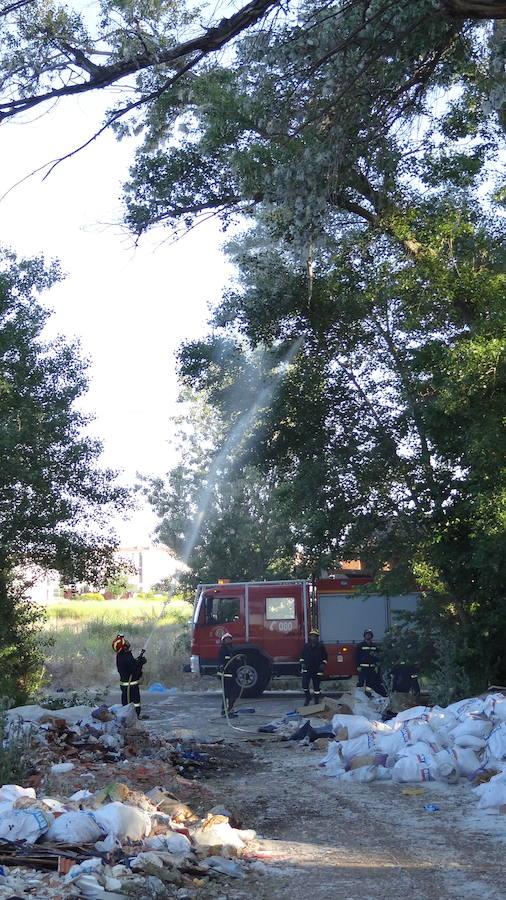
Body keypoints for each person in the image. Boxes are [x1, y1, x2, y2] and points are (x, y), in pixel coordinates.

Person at [112, 634, 146, 717]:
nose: (127, 642)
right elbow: (135, 673)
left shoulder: (122, 655)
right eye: (125, 642)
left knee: (127, 706)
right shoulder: (127, 657)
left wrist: (137, 661)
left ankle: (133, 719)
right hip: (130, 687)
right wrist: (141, 663)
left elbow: (131, 666)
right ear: (124, 647)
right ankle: (135, 719)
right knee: (133, 706)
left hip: (127, 686)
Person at [217, 632, 244, 718]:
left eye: (229, 639)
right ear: (223, 641)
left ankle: (230, 710)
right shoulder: (223, 650)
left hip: (232, 675)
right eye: (227, 639)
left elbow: (236, 661)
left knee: (233, 694)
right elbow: (224, 661)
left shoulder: (232, 649)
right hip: (225, 676)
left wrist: (240, 660)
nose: (228, 641)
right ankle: (226, 712)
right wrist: (225, 665)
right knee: (227, 695)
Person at [299, 628, 328, 706]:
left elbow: (325, 657)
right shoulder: (306, 646)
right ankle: (308, 697)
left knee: (316, 688)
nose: (313, 638)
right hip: (307, 669)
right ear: (310, 637)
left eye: (315, 636)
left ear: (317, 637)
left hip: (317, 670)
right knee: (304, 686)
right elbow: (301, 656)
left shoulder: (321, 647)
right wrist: (302, 663)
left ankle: (316, 700)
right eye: (312, 636)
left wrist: (323, 664)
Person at [356, 629, 385, 695]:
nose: (368, 636)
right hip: (363, 668)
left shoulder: (374, 646)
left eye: (369, 635)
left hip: (371, 668)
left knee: (369, 684)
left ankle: (368, 695)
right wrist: (358, 666)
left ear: (371, 636)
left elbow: (377, 656)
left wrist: (377, 666)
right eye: (367, 634)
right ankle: (358, 696)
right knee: (361, 683)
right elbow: (357, 656)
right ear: (364, 636)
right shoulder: (360, 645)